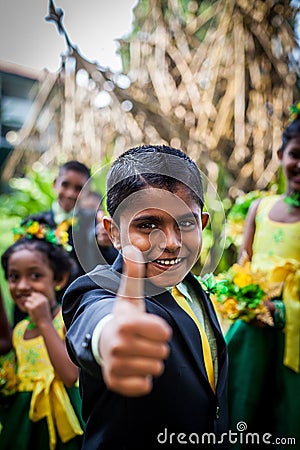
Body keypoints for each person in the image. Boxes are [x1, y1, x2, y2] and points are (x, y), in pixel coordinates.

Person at [63, 145, 229, 449]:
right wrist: (109, 338)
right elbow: (98, 319)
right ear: (113, 232)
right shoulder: (100, 289)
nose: (171, 242)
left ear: (203, 224)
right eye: (147, 224)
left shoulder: (192, 287)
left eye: (186, 223)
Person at [225, 110, 300, 448]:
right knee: (243, 405)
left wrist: (282, 311)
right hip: (253, 328)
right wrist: (247, 300)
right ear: (281, 155)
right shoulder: (260, 207)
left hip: (294, 337)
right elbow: (244, 263)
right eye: (296, 155)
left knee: (286, 414)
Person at [0, 215, 84, 450]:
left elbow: (71, 376)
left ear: (58, 279)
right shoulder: (19, 331)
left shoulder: (64, 321)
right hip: (25, 422)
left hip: (63, 419)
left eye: (35, 276)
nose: (23, 286)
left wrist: (45, 322)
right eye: (14, 277)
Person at [13, 161, 110, 325]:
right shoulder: (33, 224)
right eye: (65, 185)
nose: (71, 193)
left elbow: (106, 266)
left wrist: (104, 245)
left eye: (79, 188)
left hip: (76, 307)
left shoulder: (94, 226)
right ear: (54, 184)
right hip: (35, 305)